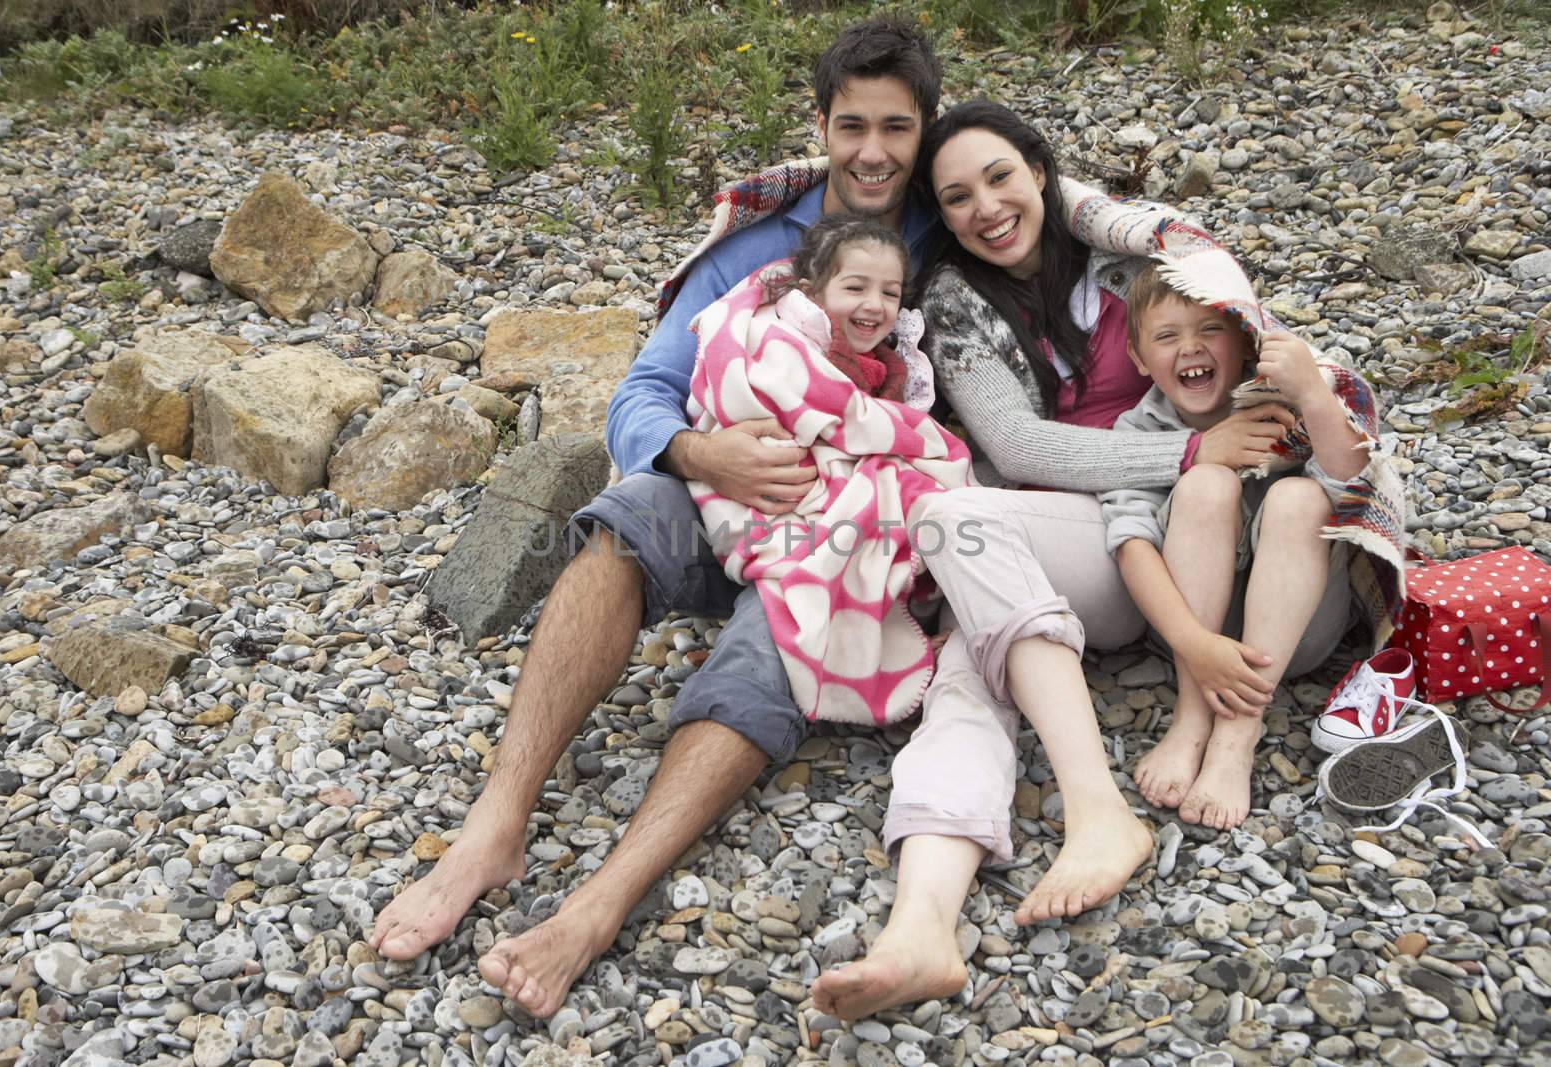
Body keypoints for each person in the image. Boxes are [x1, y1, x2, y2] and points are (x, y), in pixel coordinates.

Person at [367, 18, 943, 1020]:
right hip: (725, 494)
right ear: (820, 122)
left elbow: (1067, 218)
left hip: (846, 537)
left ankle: (599, 901)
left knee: (777, 637)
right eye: (852, 123)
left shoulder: (954, 227)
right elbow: (642, 393)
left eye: (897, 127)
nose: (873, 150)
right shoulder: (762, 244)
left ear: (925, 131)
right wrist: (693, 449)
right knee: (626, 512)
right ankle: (495, 823)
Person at [813, 101, 1303, 1021]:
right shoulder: (955, 301)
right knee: (956, 534)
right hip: (1092, 541)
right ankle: (974, 889)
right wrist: (1195, 453)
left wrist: (1235, 454)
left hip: (1213, 531)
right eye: (954, 197)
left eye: (999, 177)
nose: (984, 207)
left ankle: (947, 904)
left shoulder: (1141, 262)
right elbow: (1018, 446)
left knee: (976, 651)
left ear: (1040, 170)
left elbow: (1258, 354)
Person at [1105, 261, 1395, 830]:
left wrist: (1313, 391)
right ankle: (1191, 719)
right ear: (1140, 360)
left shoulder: (1283, 404)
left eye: (1209, 330)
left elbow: (1354, 485)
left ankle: (1237, 734)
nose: (1190, 348)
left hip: (1292, 638)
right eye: (1167, 336)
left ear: (1243, 340)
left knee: (1302, 500)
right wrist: (1193, 644)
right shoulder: (1139, 430)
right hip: (1192, 639)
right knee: (1205, 483)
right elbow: (1130, 541)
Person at [686, 214, 971, 728]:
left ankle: (877, 635)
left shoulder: (882, 363)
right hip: (763, 484)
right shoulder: (780, 339)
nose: (874, 305)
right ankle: (862, 656)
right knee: (872, 516)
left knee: (890, 507)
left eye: (889, 292)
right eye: (855, 287)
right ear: (811, 293)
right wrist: (918, 442)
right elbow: (830, 411)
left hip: (808, 482)